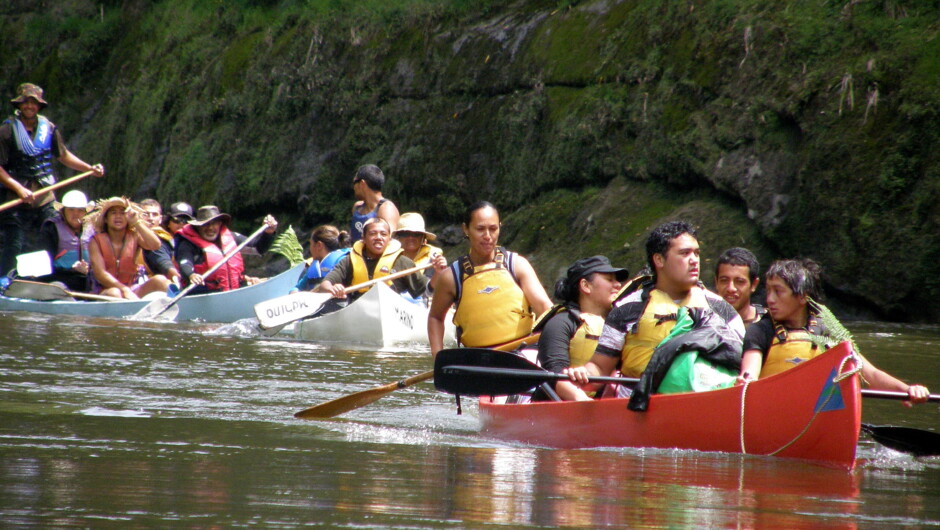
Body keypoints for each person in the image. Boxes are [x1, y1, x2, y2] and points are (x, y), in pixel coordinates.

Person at [567, 221, 744, 385]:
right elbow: (599, 367)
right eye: (684, 253)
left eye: (696, 253)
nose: (694, 260)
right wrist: (582, 374)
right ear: (659, 260)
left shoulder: (721, 309)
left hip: (703, 402)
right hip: (641, 403)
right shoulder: (627, 309)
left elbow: (743, 364)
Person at [738, 258, 930, 405]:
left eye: (778, 291)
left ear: (803, 297)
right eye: (768, 290)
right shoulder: (760, 330)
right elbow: (750, 374)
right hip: (773, 410)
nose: (769, 299)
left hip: (818, 411)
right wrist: (745, 381)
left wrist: (908, 390)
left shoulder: (828, 331)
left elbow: (869, 374)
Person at [0, 83, 105, 275]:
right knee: (15, 242)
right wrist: (19, 189)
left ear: (39, 106)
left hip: (44, 196)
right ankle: (3, 282)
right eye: (25, 103)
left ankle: (51, 277)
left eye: (33, 103)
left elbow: (63, 155)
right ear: (19, 105)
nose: (29, 106)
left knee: (52, 234)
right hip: (15, 196)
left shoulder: (48, 128)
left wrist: (89, 168)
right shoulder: (6, 131)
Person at [428, 201, 553, 358]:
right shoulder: (451, 277)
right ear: (466, 229)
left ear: (499, 228)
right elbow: (435, 317)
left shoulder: (517, 265)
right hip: (477, 358)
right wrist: (438, 356)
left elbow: (545, 308)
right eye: (480, 229)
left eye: (493, 229)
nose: (487, 236)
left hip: (523, 353)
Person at [535, 256, 628, 401]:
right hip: (558, 408)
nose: (618, 285)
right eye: (609, 279)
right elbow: (555, 373)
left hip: (605, 405)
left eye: (617, 280)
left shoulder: (619, 324)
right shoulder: (561, 323)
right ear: (585, 285)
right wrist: (583, 401)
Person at [317, 217, 444, 302]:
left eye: (383, 234)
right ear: (363, 238)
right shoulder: (349, 261)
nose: (379, 238)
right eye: (373, 234)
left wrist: (438, 272)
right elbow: (325, 284)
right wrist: (332, 289)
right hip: (358, 309)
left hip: (392, 311)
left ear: (389, 239)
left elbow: (428, 291)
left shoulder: (402, 262)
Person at [174, 205, 278, 294]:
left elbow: (259, 248)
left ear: (220, 223)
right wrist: (191, 275)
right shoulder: (188, 244)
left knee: (258, 282)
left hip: (234, 291)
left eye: (214, 223)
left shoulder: (231, 238)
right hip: (206, 293)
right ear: (198, 226)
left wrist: (268, 233)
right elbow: (185, 263)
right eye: (206, 224)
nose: (210, 228)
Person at [87, 197, 169, 299]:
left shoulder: (135, 236)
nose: (118, 217)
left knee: (160, 280)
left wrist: (137, 222)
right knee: (115, 292)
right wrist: (124, 289)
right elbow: (100, 274)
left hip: (132, 289)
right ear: (106, 219)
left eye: (122, 213)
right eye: (113, 213)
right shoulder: (95, 241)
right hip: (106, 291)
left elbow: (155, 245)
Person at [36, 189, 91, 291]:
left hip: (88, 279)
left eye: (80, 210)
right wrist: (71, 270)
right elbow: (43, 266)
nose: (76, 214)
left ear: (85, 212)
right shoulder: (51, 228)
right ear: (63, 211)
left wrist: (89, 269)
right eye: (71, 209)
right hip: (60, 279)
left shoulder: (94, 229)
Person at [714, 247, 766, 326]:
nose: (731, 288)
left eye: (739, 282)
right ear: (716, 282)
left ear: (754, 284)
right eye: (724, 280)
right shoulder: (703, 321)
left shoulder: (769, 323)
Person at [292, 225, 351, 292]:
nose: (310, 249)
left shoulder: (344, 261)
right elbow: (297, 288)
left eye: (311, 244)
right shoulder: (314, 267)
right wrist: (295, 292)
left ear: (319, 245)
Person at [139, 199, 183, 288]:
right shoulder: (130, 235)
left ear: (160, 219)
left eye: (154, 214)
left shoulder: (163, 238)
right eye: (145, 214)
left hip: (159, 284)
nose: (150, 218)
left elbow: (163, 260)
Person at [350, 164, 399, 242]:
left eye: (354, 182)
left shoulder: (386, 209)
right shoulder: (357, 207)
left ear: (362, 184)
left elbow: (390, 241)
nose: (354, 188)